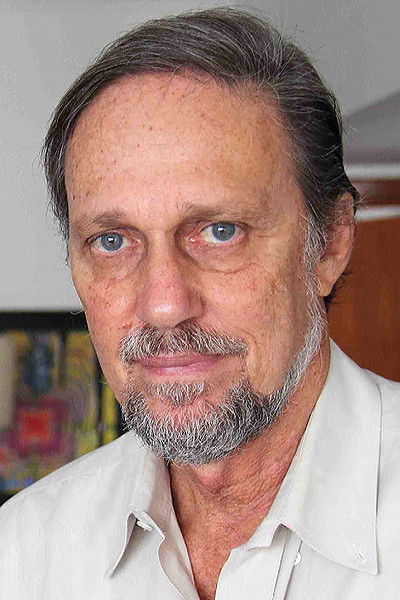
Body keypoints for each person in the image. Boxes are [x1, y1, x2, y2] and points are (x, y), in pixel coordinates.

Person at [1, 7, 399, 599]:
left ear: (330, 243)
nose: (164, 305)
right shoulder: (23, 554)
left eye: (220, 231)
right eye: (112, 242)